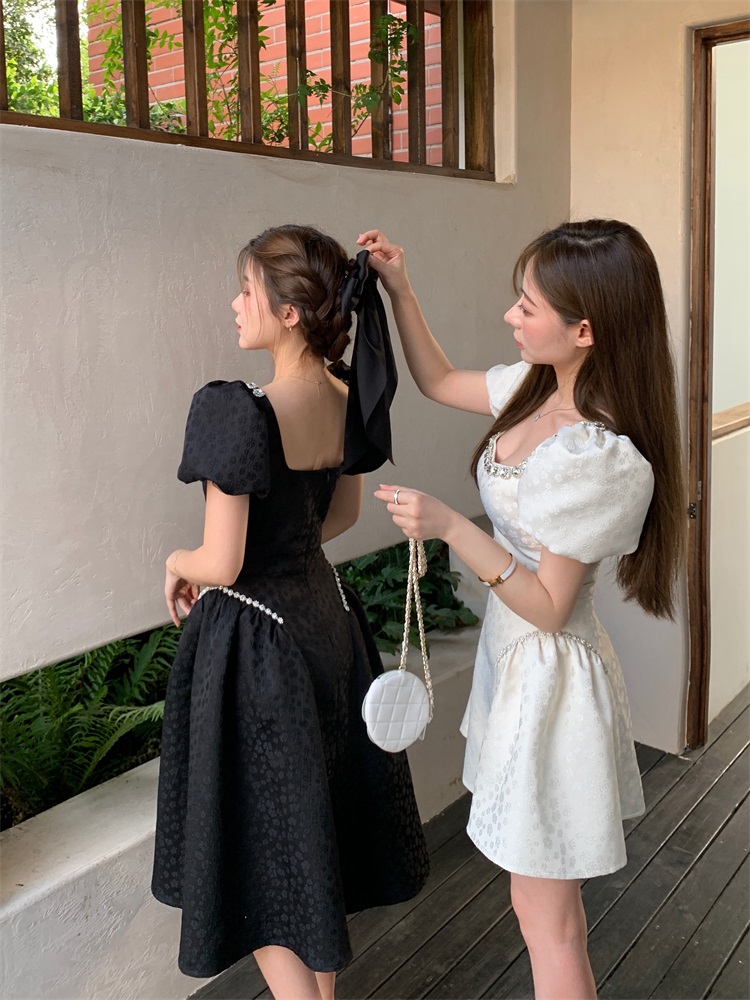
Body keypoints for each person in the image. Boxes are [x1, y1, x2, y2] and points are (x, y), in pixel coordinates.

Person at [362, 220, 684, 999]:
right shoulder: (534, 389)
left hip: (551, 685)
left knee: (550, 922)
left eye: (528, 305)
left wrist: (450, 526)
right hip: (516, 671)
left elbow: (547, 607)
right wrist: (401, 289)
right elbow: (439, 379)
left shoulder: (596, 453)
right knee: (537, 909)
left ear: (585, 330)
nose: (511, 315)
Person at [151, 225, 429, 1000]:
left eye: (247, 290)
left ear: (290, 312)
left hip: (254, 649)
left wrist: (176, 562)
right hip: (326, 625)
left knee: (262, 862)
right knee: (310, 842)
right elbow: (339, 519)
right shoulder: (347, 396)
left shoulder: (233, 412)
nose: (235, 303)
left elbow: (221, 562)